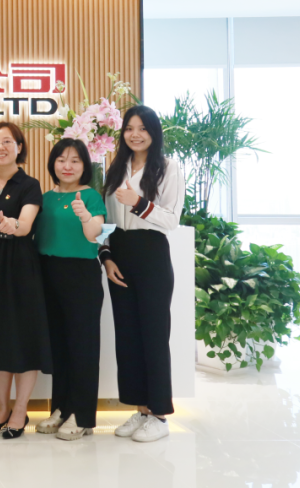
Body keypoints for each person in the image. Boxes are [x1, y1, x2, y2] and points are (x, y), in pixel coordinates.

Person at [101, 105, 185, 443]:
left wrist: (138, 202)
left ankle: (159, 415)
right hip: (120, 254)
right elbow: (106, 219)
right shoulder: (116, 167)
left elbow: (171, 219)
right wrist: (106, 256)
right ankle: (141, 410)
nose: (135, 134)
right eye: (129, 128)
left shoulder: (167, 167)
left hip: (151, 253)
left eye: (142, 128)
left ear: (154, 132)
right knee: (128, 338)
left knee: (153, 335)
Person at [0, 121, 49, 440]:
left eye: (7, 141)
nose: (0, 147)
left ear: (19, 147)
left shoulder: (29, 185)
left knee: (23, 339)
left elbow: (26, 224)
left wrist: (13, 224)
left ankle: (20, 410)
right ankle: (2, 409)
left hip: (19, 266)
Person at [33, 138, 107, 440]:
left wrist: (85, 215)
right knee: (59, 347)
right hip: (48, 273)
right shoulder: (45, 198)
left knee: (82, 347)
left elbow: (95, 235)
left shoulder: (90, 196)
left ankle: (82, 415)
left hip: (81, 275)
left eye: (75, 160)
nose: (67, 166)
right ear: (52, 163)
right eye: (61, 159)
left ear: (84, 166)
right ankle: (61, 408)